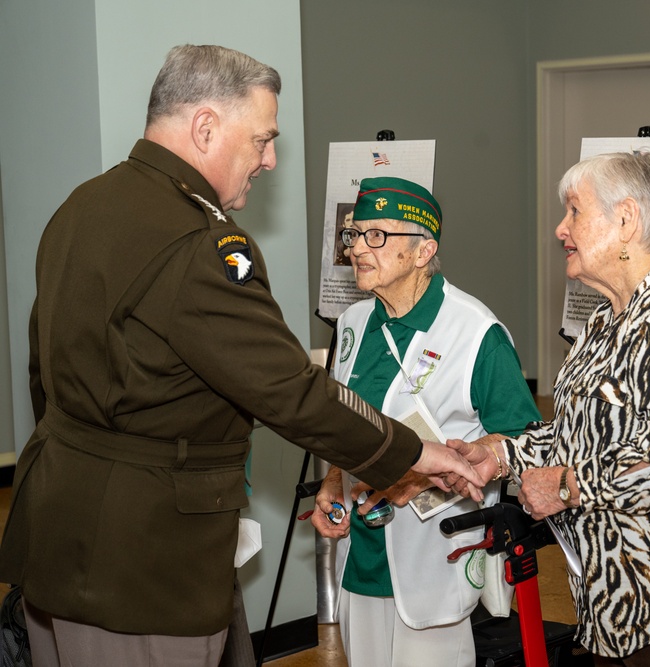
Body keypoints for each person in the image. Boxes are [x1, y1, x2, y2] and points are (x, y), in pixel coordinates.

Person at [0, 44, 482, 667]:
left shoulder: (81, 207)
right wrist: (414, 452)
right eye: (262, 139)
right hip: (145, 564)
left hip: (60, 529)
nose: (270, 159)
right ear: (205, 127)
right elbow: (288, 391)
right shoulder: (200, 242)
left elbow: (45, 367)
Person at [452, 151, 650, 665]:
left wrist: (567, 486)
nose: (560, 228)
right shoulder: (606, 318)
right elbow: (575, 433)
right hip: (608, 601)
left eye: (574, 211)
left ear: (626, 219)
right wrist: (501, 455)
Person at [310, 177, 541, 667]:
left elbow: (525, 440)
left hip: (435, 562)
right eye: (353, 235)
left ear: (422, 251)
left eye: (377, 236)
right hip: (361, 561)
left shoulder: (475, 332)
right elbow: (346, 424)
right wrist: (333, 477)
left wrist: (430, 473)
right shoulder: (351, 325)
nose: (356, 249)